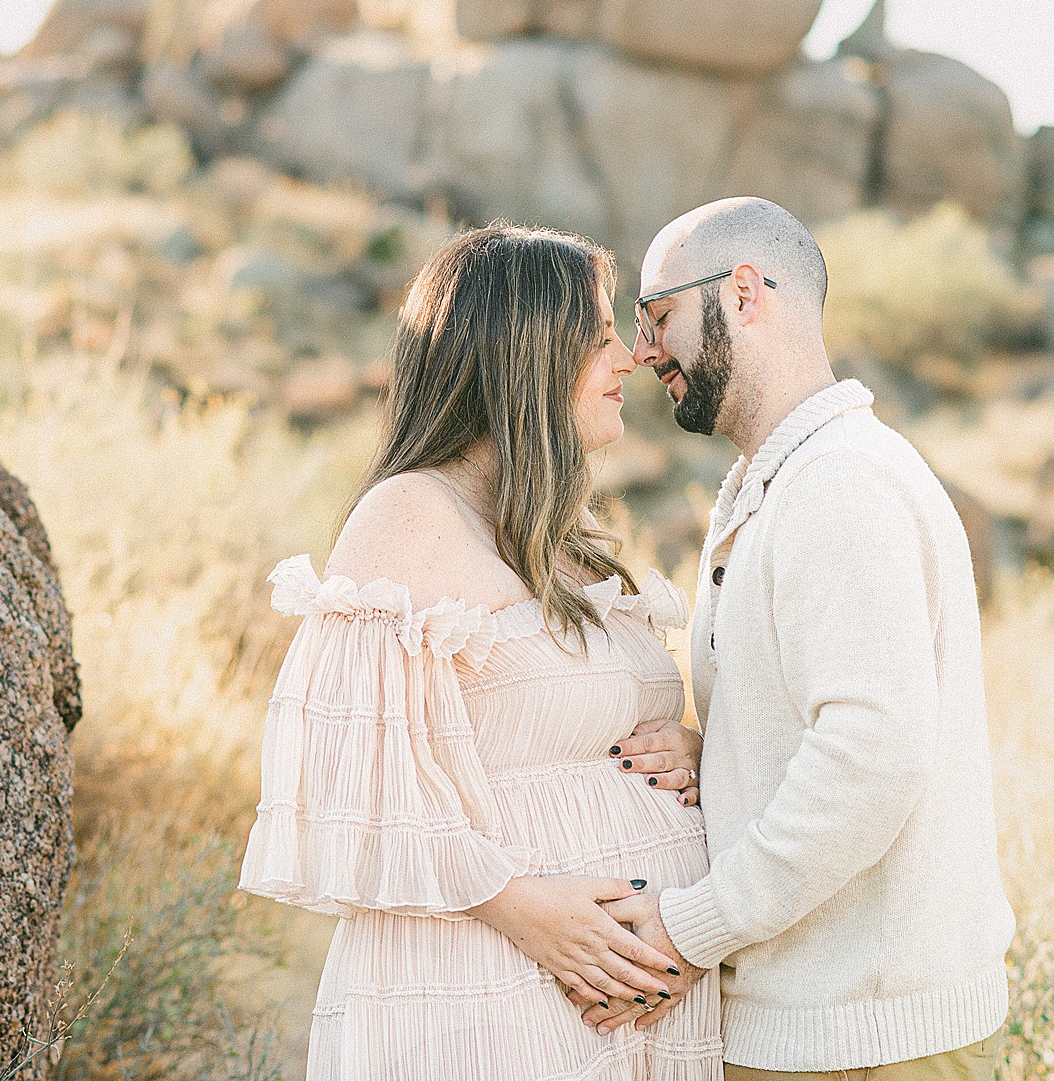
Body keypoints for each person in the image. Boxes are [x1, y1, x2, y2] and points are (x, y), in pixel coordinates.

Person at [237, 225, 722, 1079]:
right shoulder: (410, 515)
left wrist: (691, 752)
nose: (628, 356)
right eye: (598, 331)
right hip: (486, 995)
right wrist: (530, 910)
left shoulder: (558, 536)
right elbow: (350, 779)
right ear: (525, 351)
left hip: (615, 1011)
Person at [594, 198, 1016, 1079]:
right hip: (837, 1026)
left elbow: (873, 753)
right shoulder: (780, 483)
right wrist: (723, 758)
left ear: (743, 293)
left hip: (865, 1041)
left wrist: (689, 926)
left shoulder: (839, 485)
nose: (642, 352)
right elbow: (839, 722)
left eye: (659, 314)